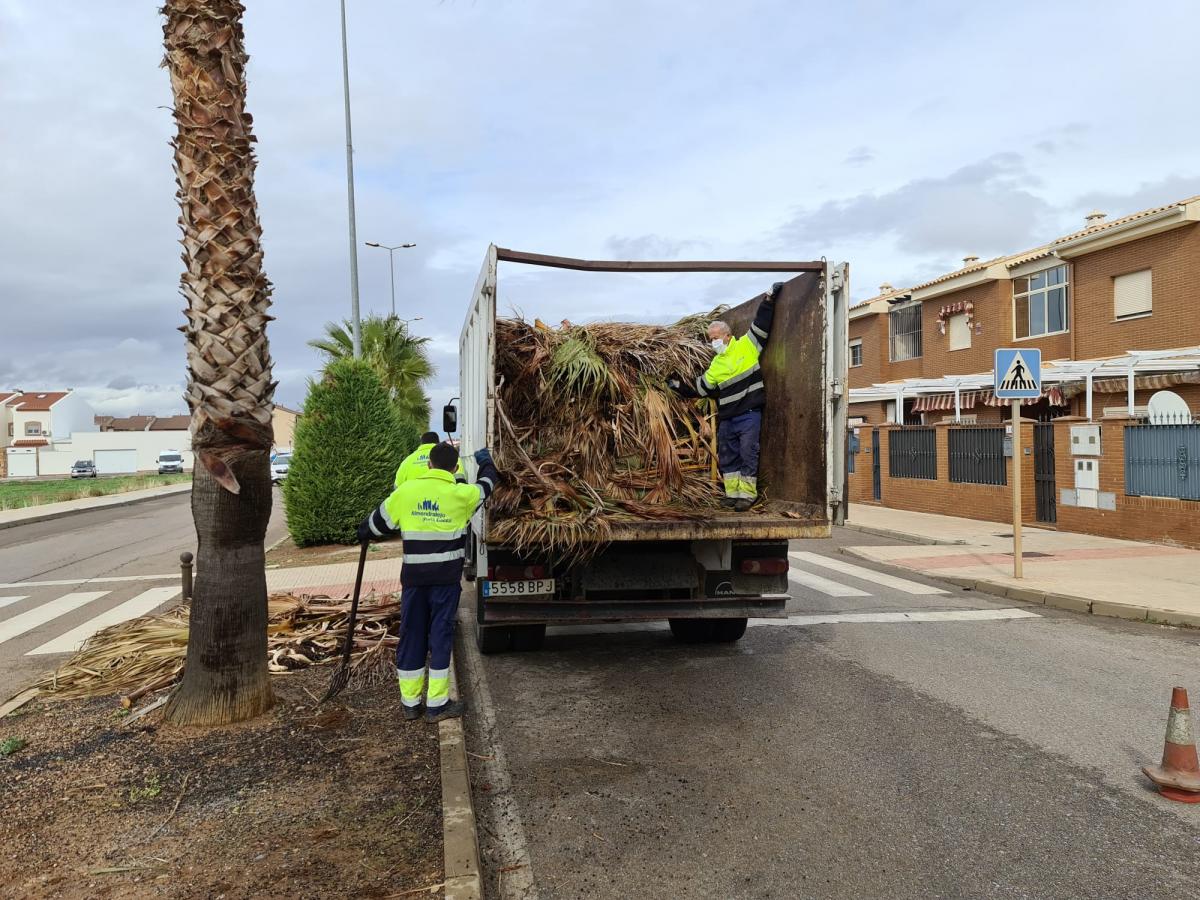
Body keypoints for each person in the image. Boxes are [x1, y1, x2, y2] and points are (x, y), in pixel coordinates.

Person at [358, 442, 499, 722]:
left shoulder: (405, 492)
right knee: (440, 636)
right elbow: (487, 484)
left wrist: (363, 532)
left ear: (429, 465)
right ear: (456, 468)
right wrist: (486, 461)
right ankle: (437, 705)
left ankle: (410, 704)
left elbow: (375, 525)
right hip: (445, 583)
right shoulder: (461, 495)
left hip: (414, 582)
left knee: (412, 635)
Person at [668, 281, 782, 511]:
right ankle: (732, 495)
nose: (713, 342)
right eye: (710, 339)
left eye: (715, 337)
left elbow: (761, 324)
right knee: (728, 455)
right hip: (728, 417)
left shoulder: (747, 346)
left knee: (747, 453)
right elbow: (699, 389)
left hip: (749, 414)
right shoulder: (715, 365)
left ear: (728, 336)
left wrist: (769, 299)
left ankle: (747, 496)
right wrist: (676, 385)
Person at [395, 431, 466, 487]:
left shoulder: (407, 461)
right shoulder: (451, 455)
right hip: (446, 502)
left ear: (421, 443)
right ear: (438, 442)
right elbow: (461, 481)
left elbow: (397, 488)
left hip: (413, 503)